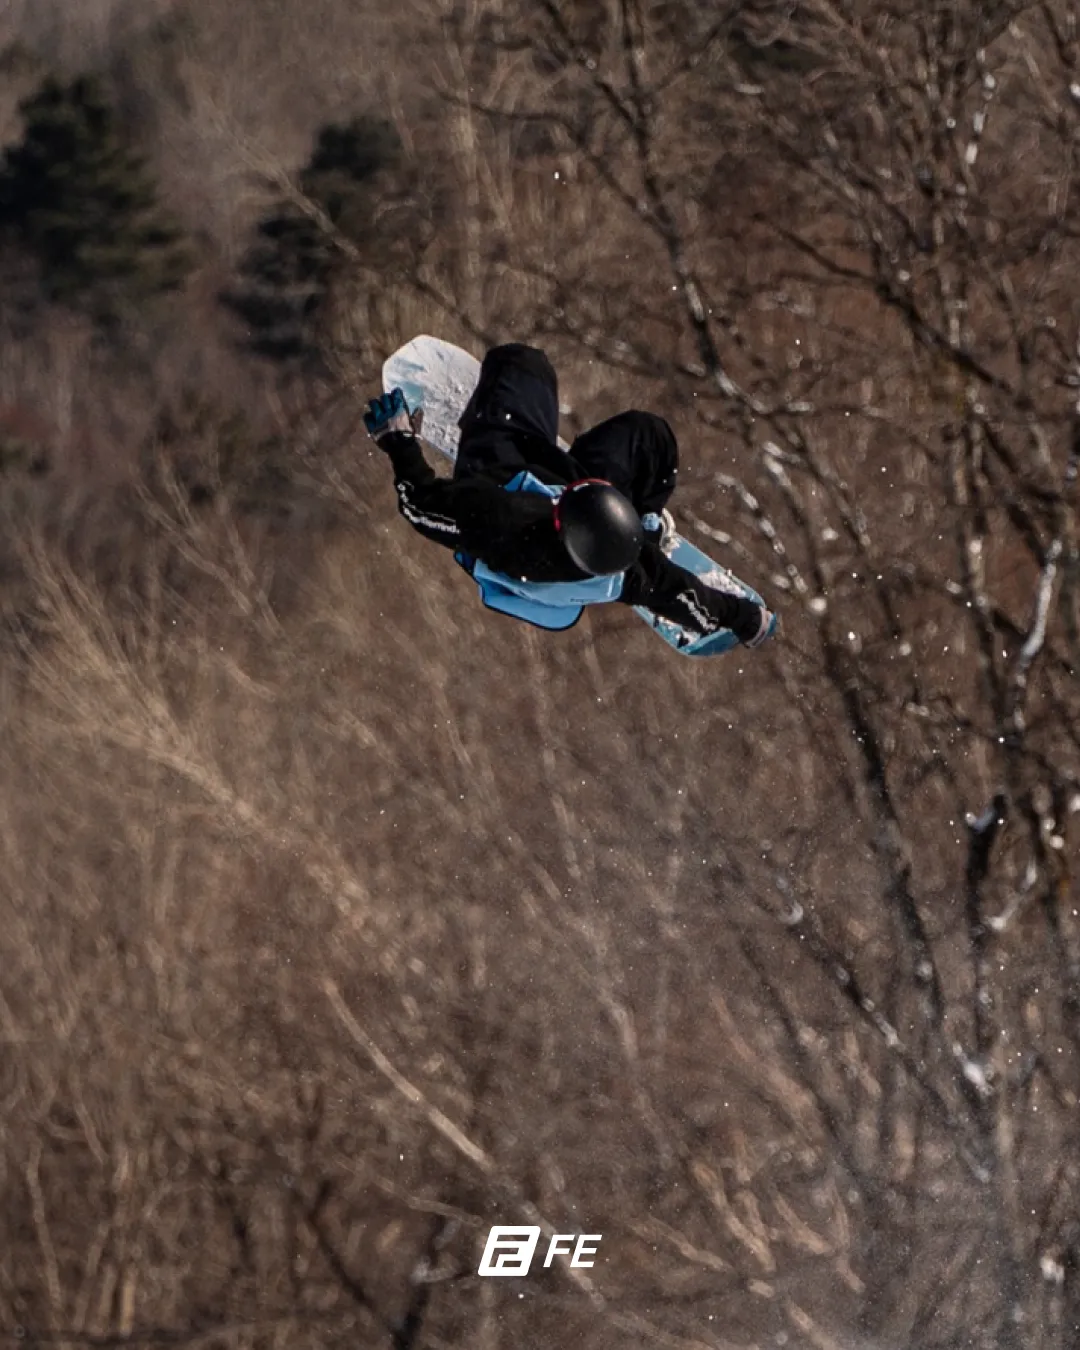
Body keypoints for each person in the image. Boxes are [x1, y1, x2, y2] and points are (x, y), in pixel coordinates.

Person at [364, 343, 774, 645]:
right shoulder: (631, 572)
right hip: (549, 487)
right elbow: (692, 601)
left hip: (501, 474)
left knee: (517, 365)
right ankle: (629, 507)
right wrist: (748, 620)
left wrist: (397, 441)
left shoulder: (492, 518)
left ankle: (496, 423)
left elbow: (419, 505)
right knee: (642, 433)